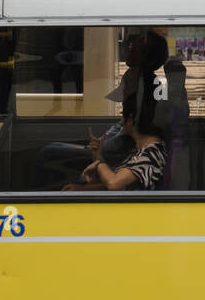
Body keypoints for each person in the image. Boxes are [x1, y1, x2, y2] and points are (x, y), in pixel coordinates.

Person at [36, 28, 168, 188]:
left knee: (48, 152)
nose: (130, 47)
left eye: (136, 46)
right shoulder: (139, 149)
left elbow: (114, 181)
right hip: (111, 148)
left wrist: (99, 156)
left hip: (113, 151)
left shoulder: (149, 152)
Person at [64, 94, 167, 191]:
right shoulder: (140, 149)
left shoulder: (152, 153)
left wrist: (99, 163)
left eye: (122, 116)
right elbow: (119, 182)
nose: (121, 121)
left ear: (130, 119)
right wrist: (83, 189)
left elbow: (113, 183)